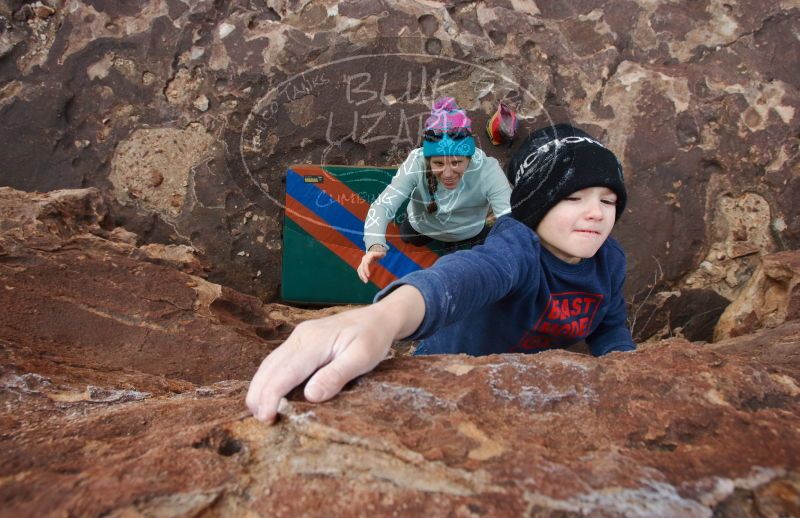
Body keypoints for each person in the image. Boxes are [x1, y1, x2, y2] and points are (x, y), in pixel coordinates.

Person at [248, 123, 636, 424]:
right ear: (535, 206)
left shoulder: (610, 259)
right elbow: (463, 276)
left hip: (529, 393)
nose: (596, 213)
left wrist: (626, 377)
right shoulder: (516, 249)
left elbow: (610, 325)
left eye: (608, 200)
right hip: (450, 377)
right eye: (573, 198)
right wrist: (383, 318)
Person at [358, 97, 512, 283]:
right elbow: (383, 206)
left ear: (469, 158)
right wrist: (375, 244)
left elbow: (509, 215)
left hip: (468, 231)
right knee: (409, 237)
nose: (447, 174)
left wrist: (509, 251)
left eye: (456, 163)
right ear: (428, 159)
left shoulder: (487, 169)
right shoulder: (417, 161)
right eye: (438, 163)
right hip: (422, 226)